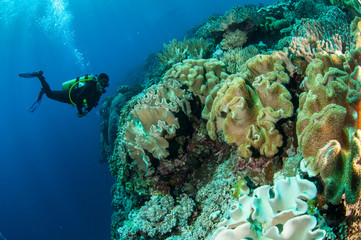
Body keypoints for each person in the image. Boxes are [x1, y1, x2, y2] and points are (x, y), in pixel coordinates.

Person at [19, 71, 109, 117]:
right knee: (49, 94)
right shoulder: (90, 85)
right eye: (104, 83)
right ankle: (39, 76)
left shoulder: (98, 92)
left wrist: (86, 112)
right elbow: (79, 99)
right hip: (69, 95)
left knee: (48, 94)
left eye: (106, 84)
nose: (104, 86)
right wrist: (81, 113)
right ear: (99, 80)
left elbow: (92, 104)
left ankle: (43, 89)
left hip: (71, 99)